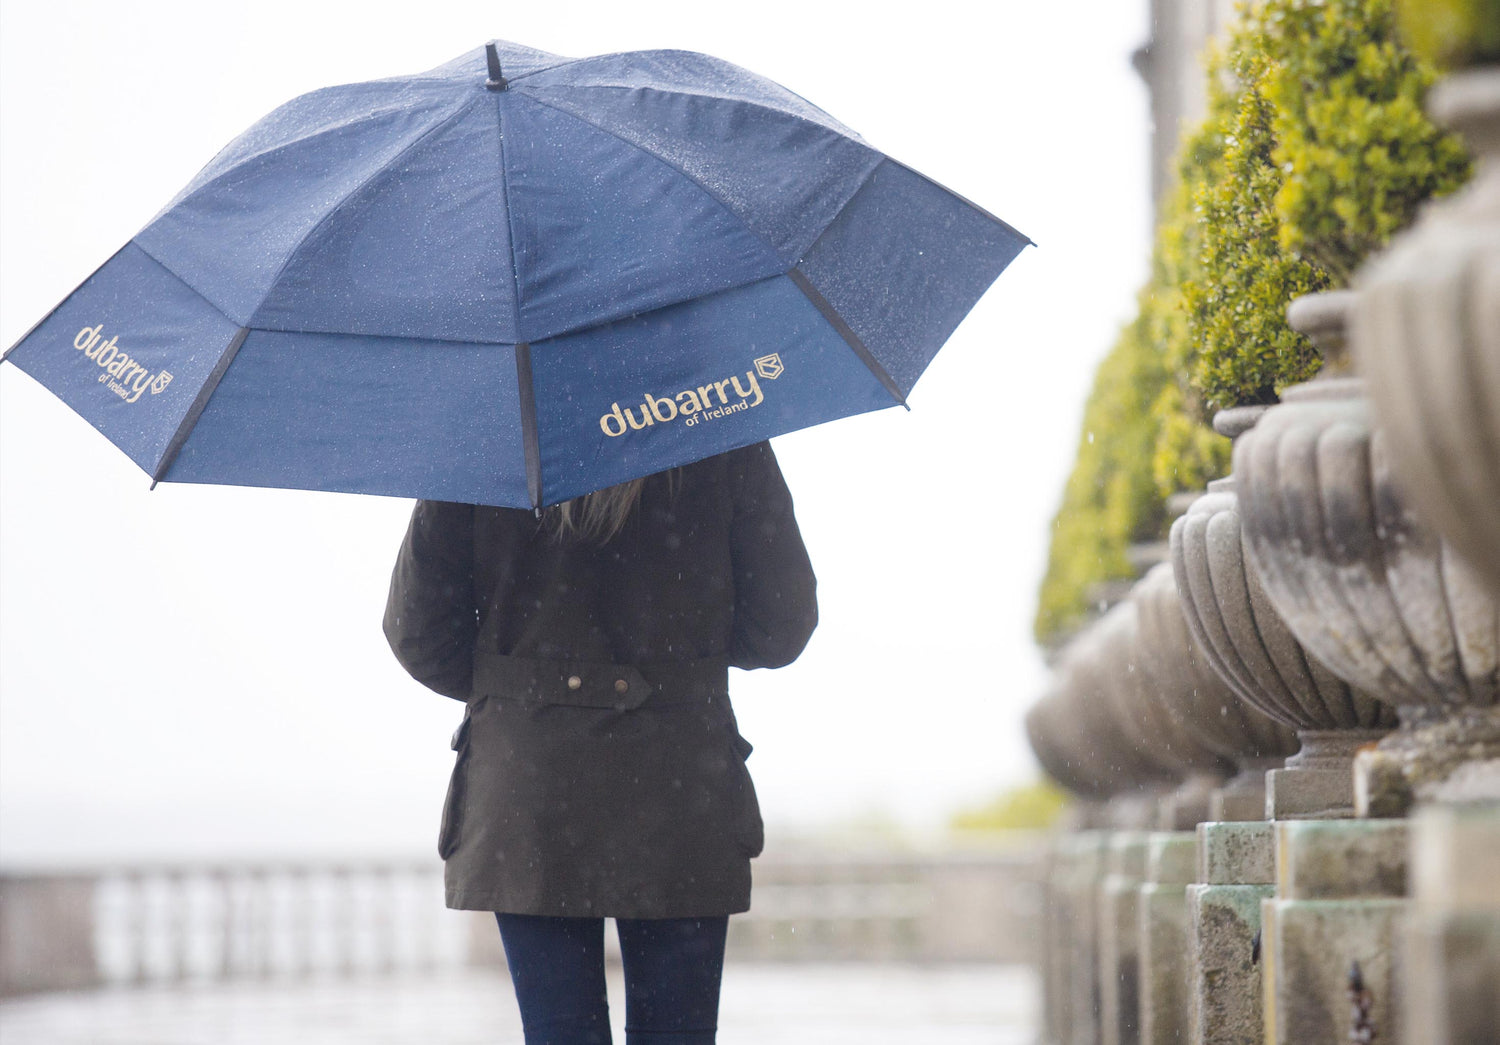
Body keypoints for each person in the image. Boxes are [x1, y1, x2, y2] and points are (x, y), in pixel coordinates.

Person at [382, 441, 818, 1045]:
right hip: (679, 773)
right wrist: (684, 664)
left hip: (529, 782)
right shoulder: (716, 428)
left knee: (560, 1033)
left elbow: (419, 635)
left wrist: (524, 698)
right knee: (678, 1036)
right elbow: (780, 628)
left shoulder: (486, 441)